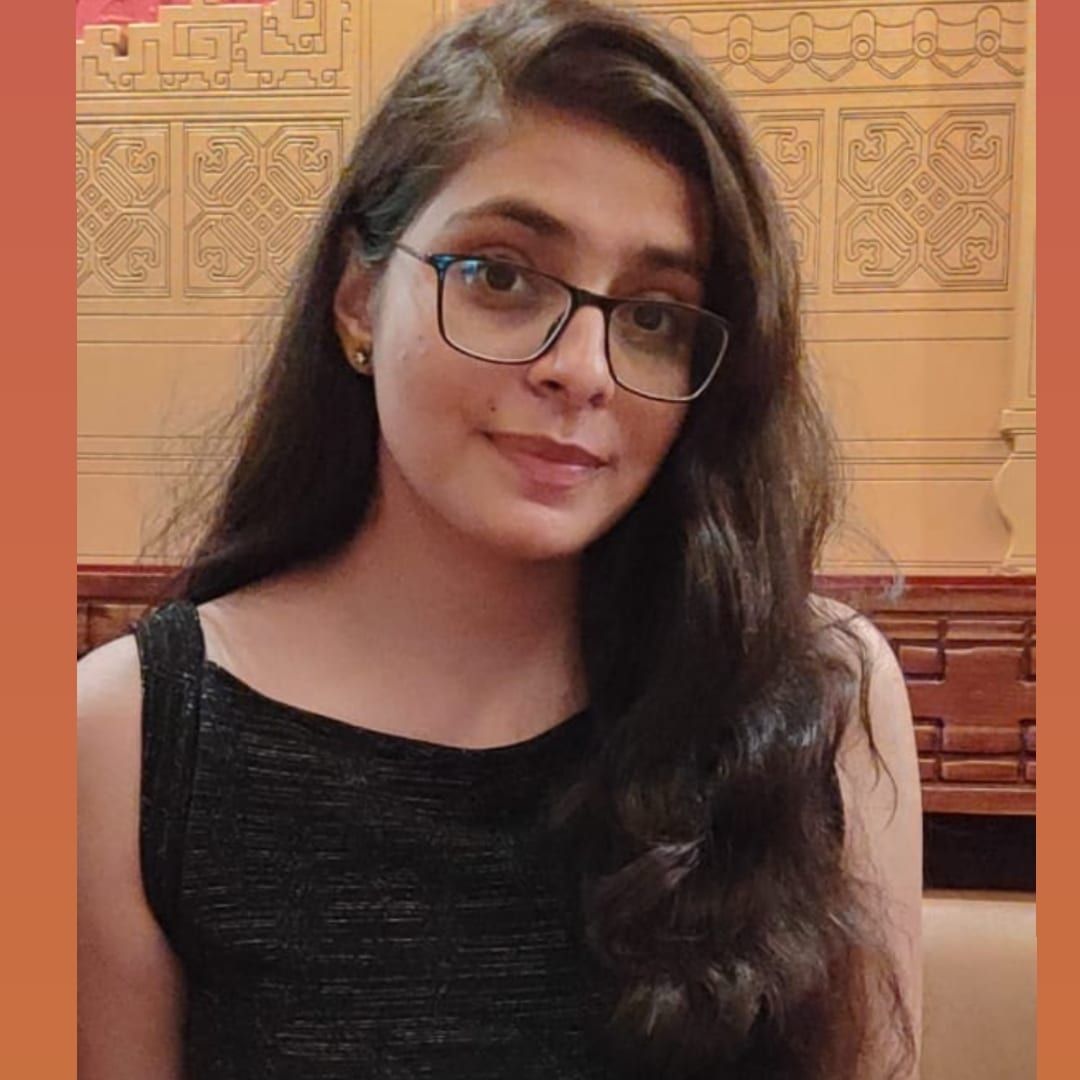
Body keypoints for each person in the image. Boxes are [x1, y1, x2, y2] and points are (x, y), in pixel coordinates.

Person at [77, 0, 922, 1076]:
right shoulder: (133, 739)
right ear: (358, 298)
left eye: (653, 315)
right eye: (501, 276)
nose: (582, 368)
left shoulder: (816, 702)